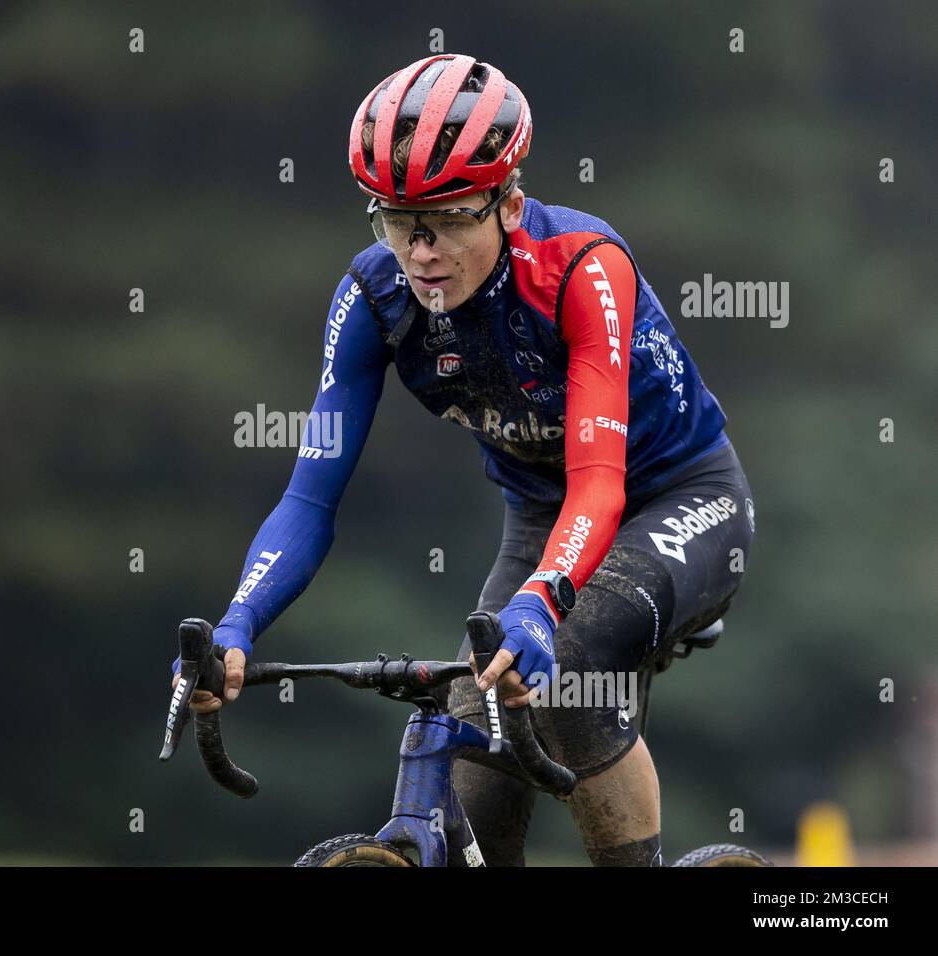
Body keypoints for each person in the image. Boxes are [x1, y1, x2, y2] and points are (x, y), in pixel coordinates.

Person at [171, 53, 755, 866]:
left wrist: (542, 605)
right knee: (467, 721)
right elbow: (308, 501)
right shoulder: (372, 299)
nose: (421, 252)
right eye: (395, 220)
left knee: (571, 662)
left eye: (447, 219)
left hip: (675, 501)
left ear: (509, 205)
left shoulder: (583, 271)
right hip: (540, 520)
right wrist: (239, 622)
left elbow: (598, 483)